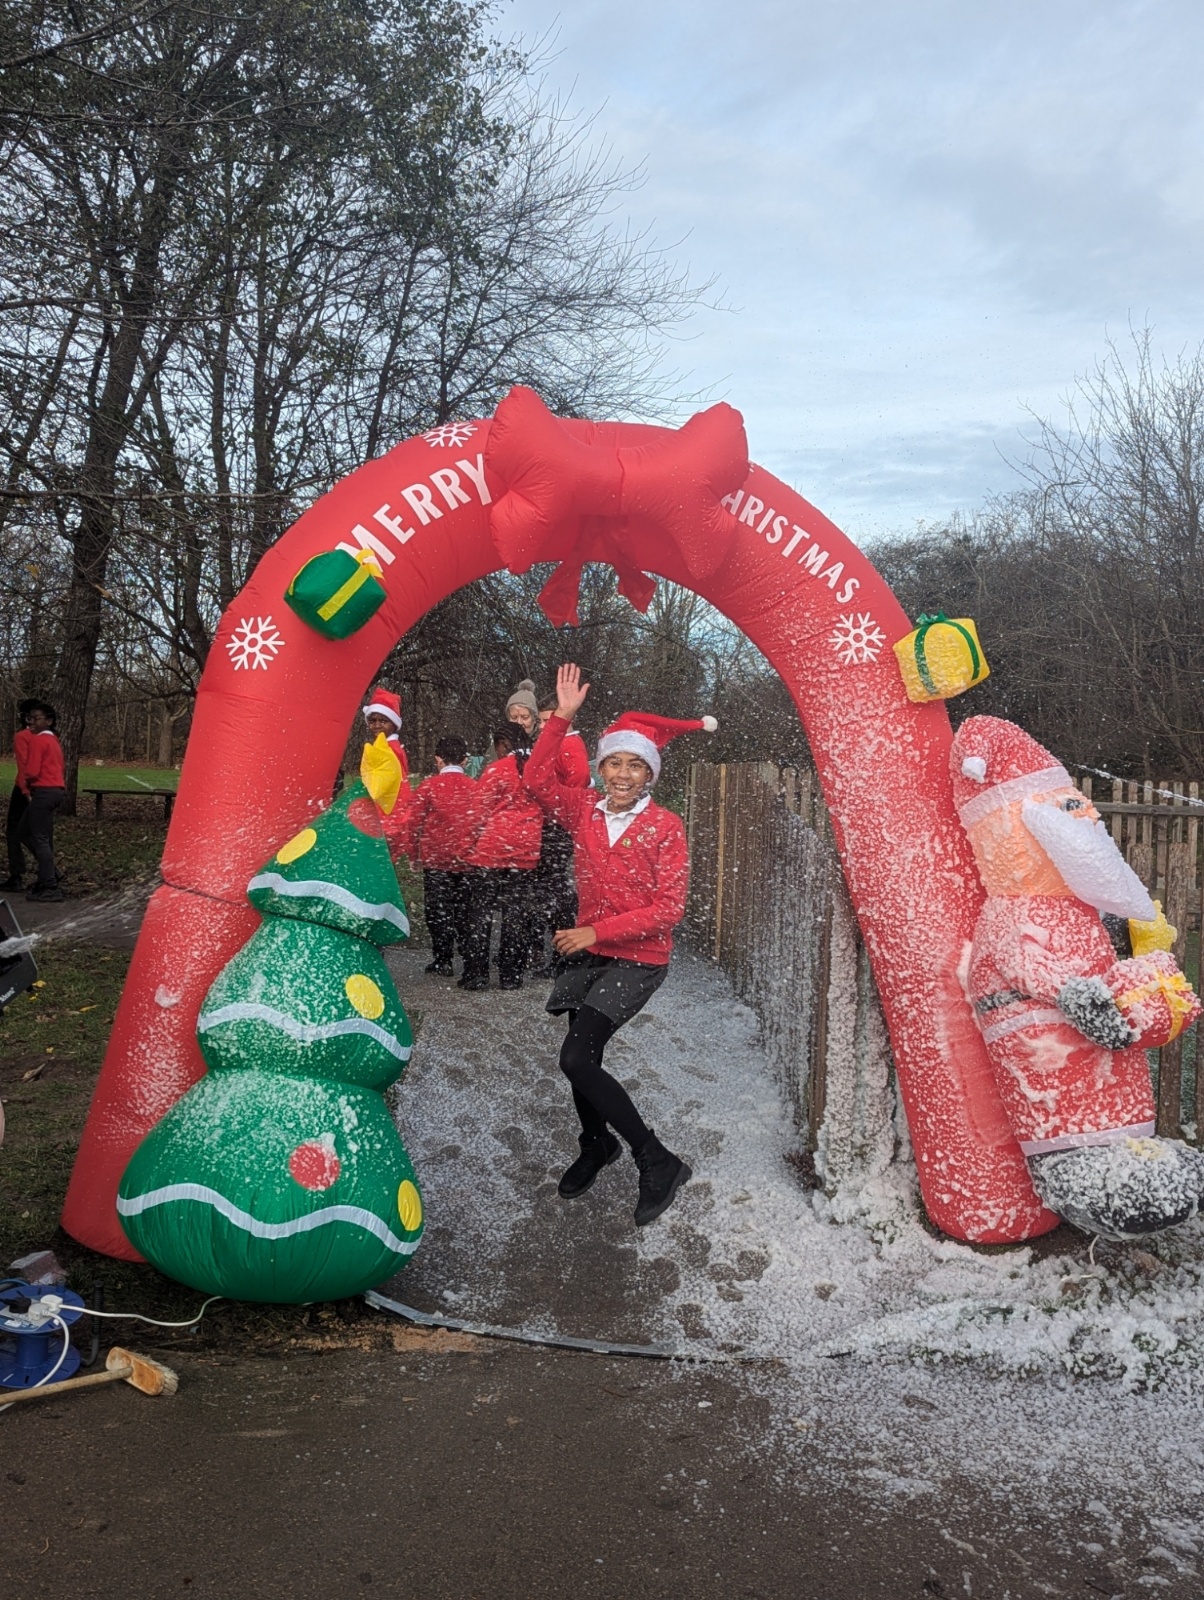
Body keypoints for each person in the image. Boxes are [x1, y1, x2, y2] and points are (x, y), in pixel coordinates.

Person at [523, 662, 716, 1227]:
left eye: (636, 764)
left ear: (649, 772)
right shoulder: (584, 809)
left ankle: (655, 1158)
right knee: (585, 1061)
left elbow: (668, 910)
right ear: (601, 767)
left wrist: (595, 931)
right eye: (614, 762)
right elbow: (536, 781)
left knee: (575, 1057)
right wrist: (561, 719)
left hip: (638, 959)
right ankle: (595, 1144)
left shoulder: (665, 826)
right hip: (591, 953)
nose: (624, 774)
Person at [459, 724, 543, 991]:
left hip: (492, 849)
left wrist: (465, 846)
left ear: (503, 744)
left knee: (480, 912)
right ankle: (511, 975)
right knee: (516, 914)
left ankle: (476, 973)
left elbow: (477, 811)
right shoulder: (538, 770)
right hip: (526, 850)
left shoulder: (497, 770)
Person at [525, 692, 592, 976]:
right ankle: (554, 951)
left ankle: (560, 954)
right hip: (555, 823)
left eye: (546, 720)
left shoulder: (568, 744)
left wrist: (556, 806)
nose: (542, 726)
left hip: (557, 826)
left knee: (553, 890)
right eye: (541, 721)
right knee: (552, 888)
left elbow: (578, 781)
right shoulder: (565, 743)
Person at [402, 735, 479, 978]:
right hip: (467, 861)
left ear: (438, 760)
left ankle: (443, 958)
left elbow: (413, 822)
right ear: (465, 760)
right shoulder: (474, 788)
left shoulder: (428, 787)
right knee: (466, 910)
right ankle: (469, 956)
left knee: (438, 910)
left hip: (436, 859)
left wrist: (413, 853)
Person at [19, 701, 66, 902]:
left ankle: (50, 885)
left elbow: (31, 770)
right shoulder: (54, 741)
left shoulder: (39, 740)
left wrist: (27, 784)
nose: (31, 722)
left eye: (36, 719)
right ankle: (49, 873)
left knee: (39, 838)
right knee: (24, 831)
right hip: (55, 791)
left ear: (49, 721)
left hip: (44, 791)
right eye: (30, 718)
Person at [3, 698, 39, 892]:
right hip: (44, 786)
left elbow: (24, 766)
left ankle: (17, 874)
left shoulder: (22, 736)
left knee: (15, 830)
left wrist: (25, 791)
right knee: (33, 830)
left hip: (24, 786)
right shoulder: (46, 736)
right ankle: (49, 870)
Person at [505, 678, 539, 743]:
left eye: (525, 717)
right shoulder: (501, 743)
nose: (519, 722)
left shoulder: (545, 743)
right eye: (514, 717)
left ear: (534, 719)